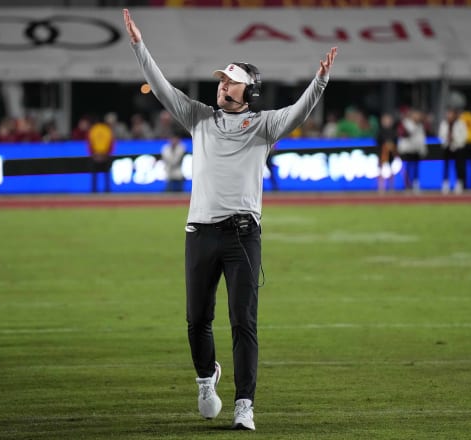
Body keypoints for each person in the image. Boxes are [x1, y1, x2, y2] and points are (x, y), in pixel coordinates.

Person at [123, 8, 337, 431]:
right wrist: (138, 45)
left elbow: (299, 111)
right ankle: (207, 379)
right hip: (199, 234)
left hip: (242, 236)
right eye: (221, 79)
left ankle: (245, 404)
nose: (222, 84)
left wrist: (321, 80)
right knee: (196, 319)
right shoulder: (198, 117)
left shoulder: (263, 125)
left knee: (244, 322)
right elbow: (163, 88)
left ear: (250, 90)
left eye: (230, 79)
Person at [438, 107, 468, 194]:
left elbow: (464, 136)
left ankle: (459, 184)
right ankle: (445, 184)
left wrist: (455, 138)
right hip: (447, 147)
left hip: (458, 147)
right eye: (448, 113)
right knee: (446, 166)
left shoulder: (461, 124)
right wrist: (446, 139)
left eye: (451, 114)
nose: (449, 115)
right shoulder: (444, 124)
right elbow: (440, 135)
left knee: (459, 166)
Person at [396, 108, 427, 193]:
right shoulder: (405, 123)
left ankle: (415, 184)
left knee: (416, 167)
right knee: (407, 167)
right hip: (406, 149)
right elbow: (404, 134)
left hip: (416, 149)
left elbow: (421, 138)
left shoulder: (420, 125)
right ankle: (407, 185)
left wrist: (423, 149)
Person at [87, 119, 115, 193]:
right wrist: (108, 154)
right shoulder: (107, 129)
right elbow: (111, 142)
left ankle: (94, 190)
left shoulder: (93, 129)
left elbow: (89, 142)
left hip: (96, 154)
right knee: (106, 174)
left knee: (96, 174)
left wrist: (93, 154)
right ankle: (107, 190)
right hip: (105, 154)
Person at [375, 112, 398, 193]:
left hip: (391, 154)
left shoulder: (394, 131)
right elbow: (377, 142)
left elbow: (396, 141)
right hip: (382, 153)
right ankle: (381, 188)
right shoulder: (380, 131)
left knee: (391, 170)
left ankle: (391, 187)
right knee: (380, 170)